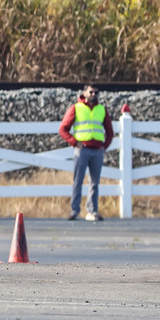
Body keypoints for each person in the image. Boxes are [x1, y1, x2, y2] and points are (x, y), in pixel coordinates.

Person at [59, 84, 114, 221]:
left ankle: (92, 211)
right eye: (91, 92)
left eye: (96, 92)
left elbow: (110, 131)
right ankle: (75, 210)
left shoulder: (102, 110)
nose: (93, 95)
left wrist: (104, 145)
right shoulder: (76, 108)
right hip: (82, 150)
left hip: (97, 151)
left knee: (94, 182)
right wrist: (74, 142)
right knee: (78, 181)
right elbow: (63, 129)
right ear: (84, 93)